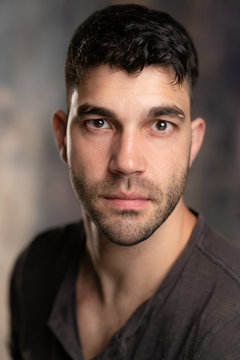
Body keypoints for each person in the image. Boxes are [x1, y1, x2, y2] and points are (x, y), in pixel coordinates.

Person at [9, 4, 240, 360]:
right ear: (62, 138)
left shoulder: (229, 325)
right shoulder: (35, 270)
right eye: (99, 123)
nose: (127, 162)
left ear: (193, 143)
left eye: (160, 125)